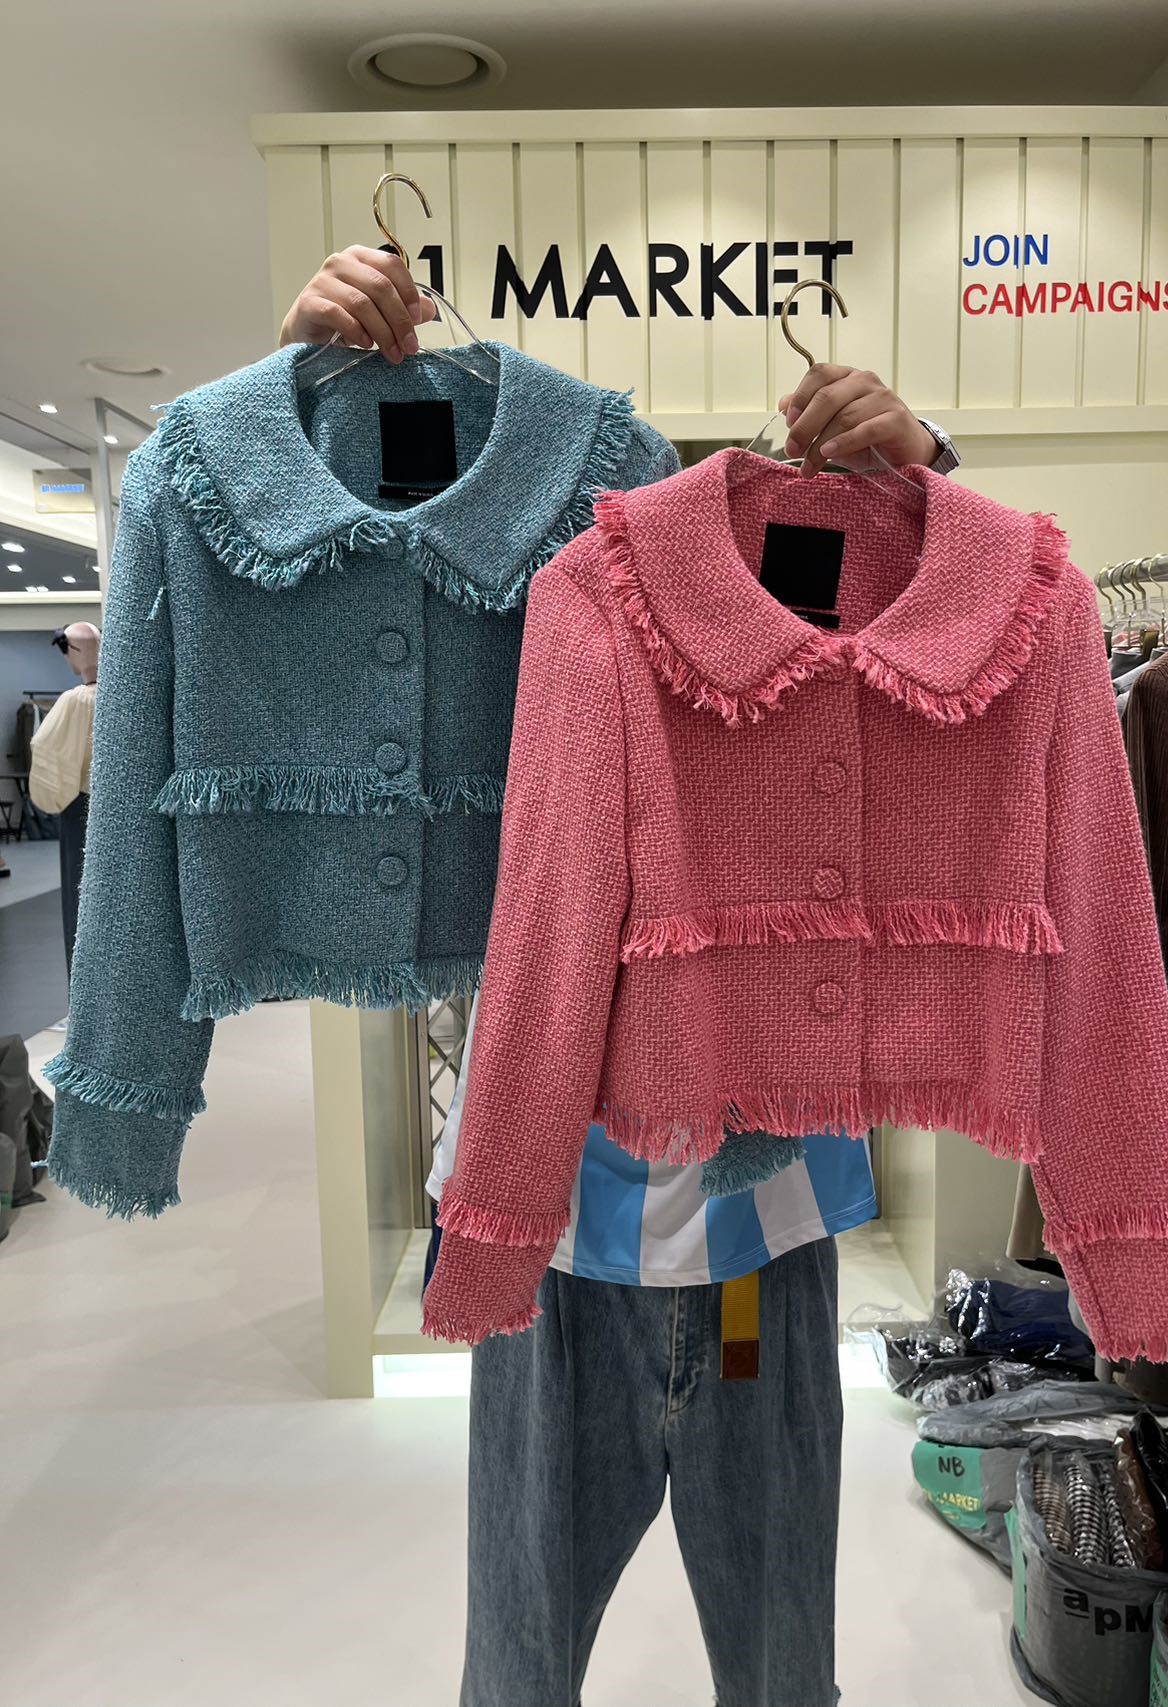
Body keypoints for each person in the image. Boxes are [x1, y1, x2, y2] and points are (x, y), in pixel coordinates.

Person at [281, 248, 959, 1707]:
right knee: (520, 1664)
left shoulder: (802, 611)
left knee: (779, 1664)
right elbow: (332, 651)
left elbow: (959, 676)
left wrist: (924, 486)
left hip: (762, 1235)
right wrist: (316, 407)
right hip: (548, 1228)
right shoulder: (537, 588)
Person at [29, 622, 99, 980]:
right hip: (119, 809)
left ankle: (84, 988)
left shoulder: (76, 701)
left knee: (79, 900)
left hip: (80, 808)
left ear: (74, 652)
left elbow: (45, 749)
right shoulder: (123, 696)